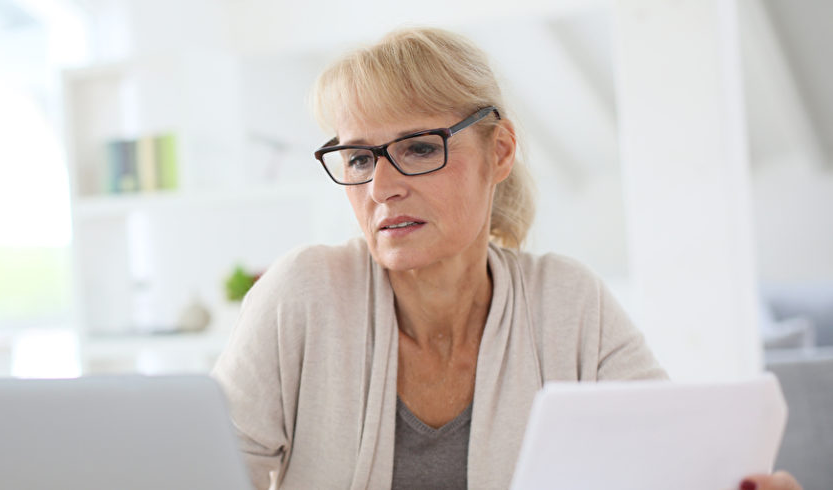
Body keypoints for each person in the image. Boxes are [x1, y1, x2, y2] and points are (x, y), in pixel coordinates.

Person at [211, 27, 801, 490]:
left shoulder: (569, 303)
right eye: (360, 158)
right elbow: (203, 471)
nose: (381, 187)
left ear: (500, 152)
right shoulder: (303, 294)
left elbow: (673, 467)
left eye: (418, 148)